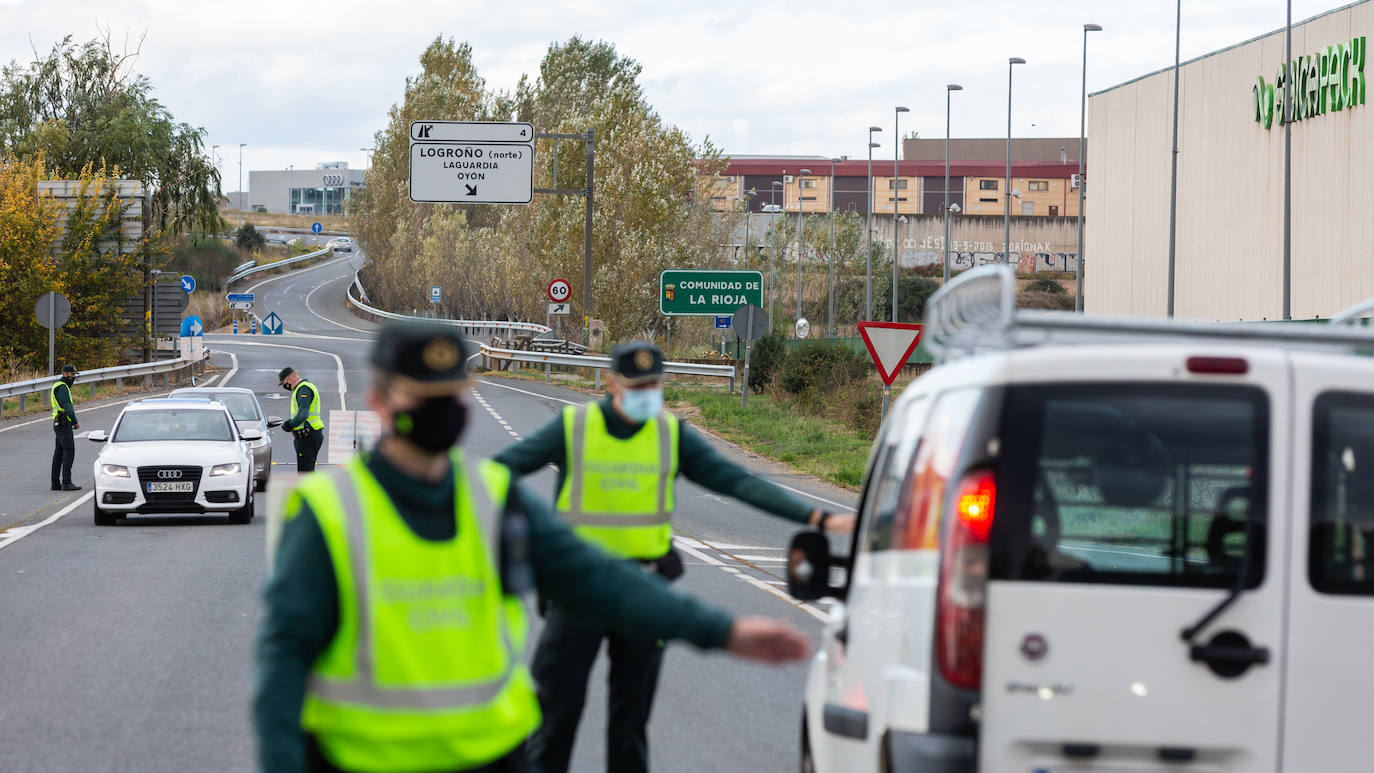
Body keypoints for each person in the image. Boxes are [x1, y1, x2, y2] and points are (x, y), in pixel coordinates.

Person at [254, 322, 809, 773]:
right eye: (424, 396)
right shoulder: (329, 511)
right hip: (367, 762)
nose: (442, 409)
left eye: (451, 395)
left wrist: (726, 631)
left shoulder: (490, 499)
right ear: (379, 400)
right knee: (563, 710)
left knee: (626, 720)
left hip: (494, 758)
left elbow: (603, 580)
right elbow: (282, 662)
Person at [492, 340, 854, 773]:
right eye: (636, 384)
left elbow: (736, 481)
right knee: (554, 719)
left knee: (630, 725)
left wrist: (813, 515)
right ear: (610, 383)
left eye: (653, 384)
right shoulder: (573, 427)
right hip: (578, 595)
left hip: (646, 594)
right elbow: (495, 474)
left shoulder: (669, 434)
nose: (647, 392)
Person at [279, 367, 325, 472]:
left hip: (307, 435)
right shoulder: (306, 387)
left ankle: (309, 489)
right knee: (307, 470)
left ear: (288, 379)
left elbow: (303, 414)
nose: (285, 386)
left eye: (284, 383)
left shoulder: (303, 389)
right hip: (309, 435)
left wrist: (289, 424)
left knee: (305, 473)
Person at [50, 364, 81, 491]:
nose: (73, 377)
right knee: (69, 451)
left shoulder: (60, 386)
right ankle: (66, 482)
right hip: (64, 423)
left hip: (59, 423)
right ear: (65, 374)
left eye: (74, 375)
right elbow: (68, 407)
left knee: (58, 453)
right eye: (72, 374)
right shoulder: (62, 388)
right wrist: (75, 422)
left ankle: (55, 483)